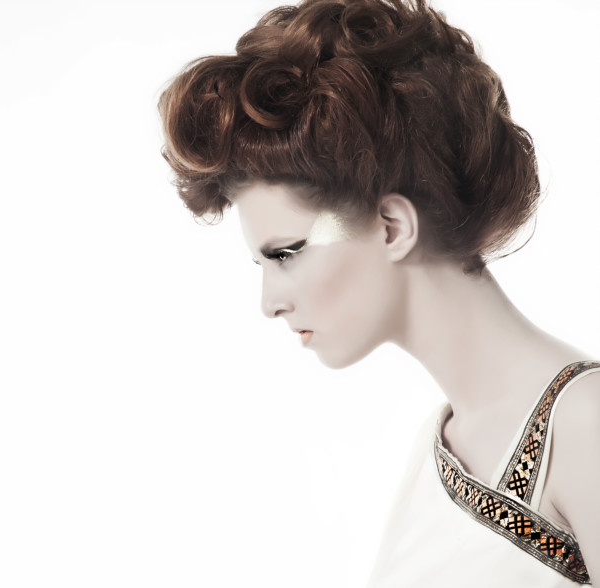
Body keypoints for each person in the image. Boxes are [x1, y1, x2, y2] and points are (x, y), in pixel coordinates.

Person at [157, 0, 599, 585]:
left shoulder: (586, 426)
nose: (269, 302)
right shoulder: (436, 447)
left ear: (392, 227)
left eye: (286, 254)